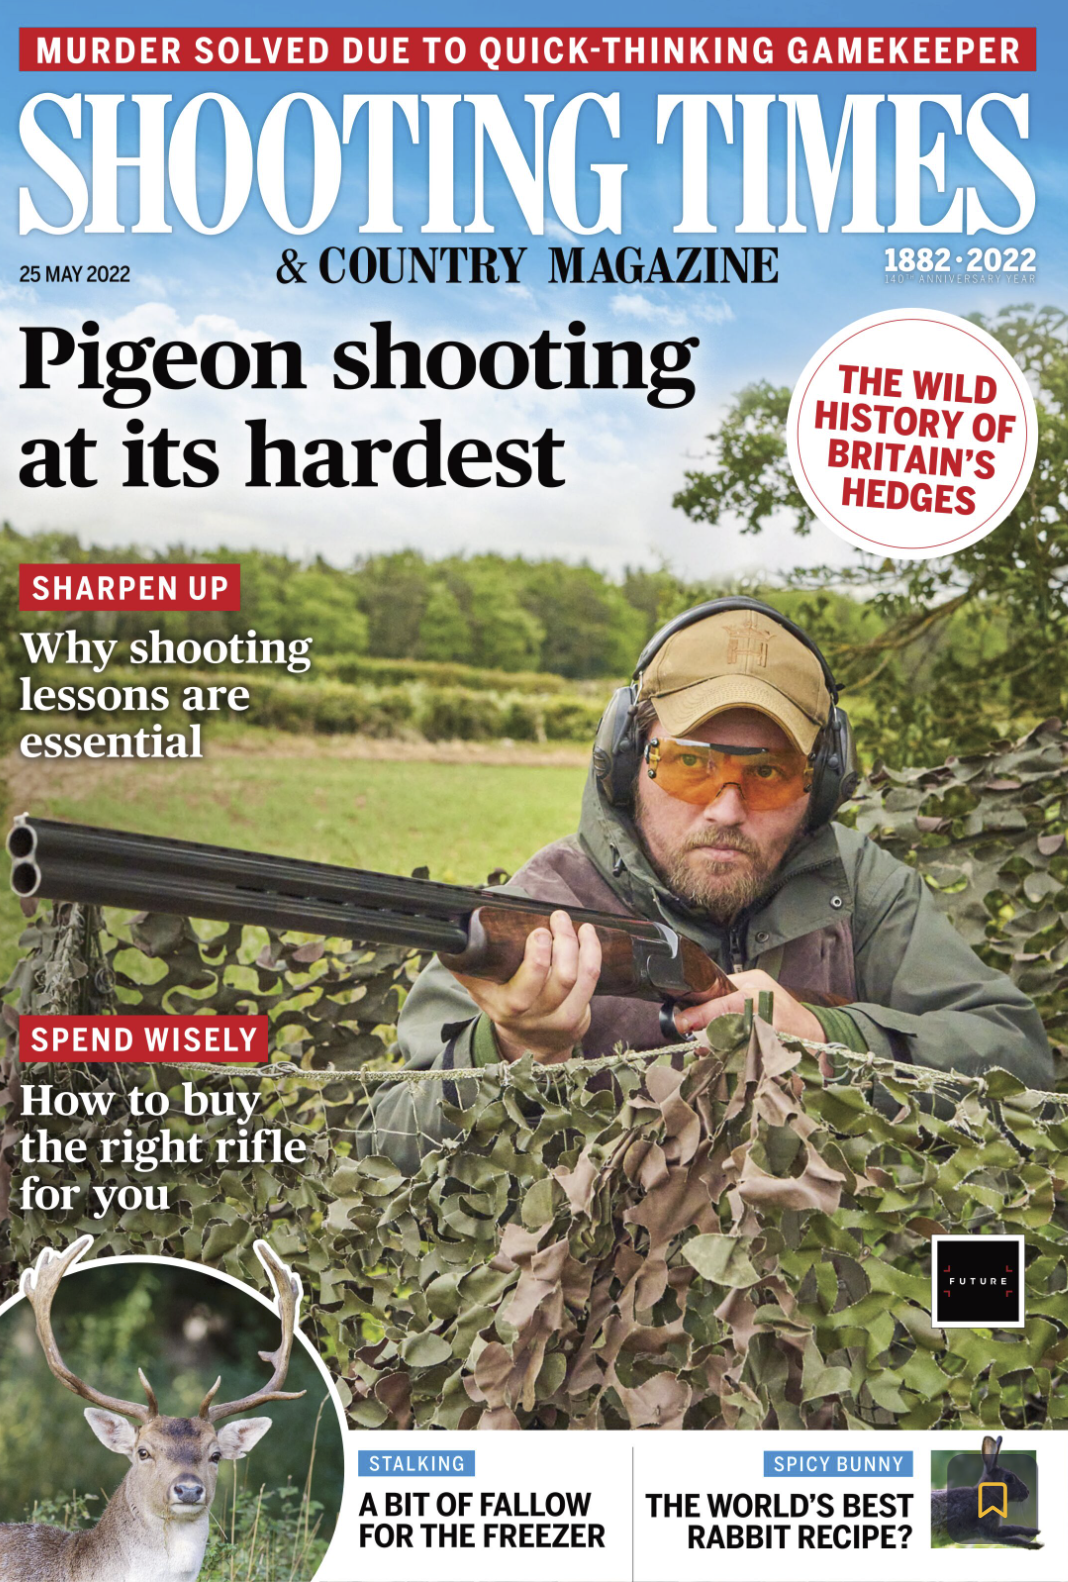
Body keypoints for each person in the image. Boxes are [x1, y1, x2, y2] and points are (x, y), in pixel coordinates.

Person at [363, 599, 1053, 1171]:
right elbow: (384, 1150)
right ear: (627, 760)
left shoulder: (862, 888)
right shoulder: (545, 903)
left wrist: (826, 1034)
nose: (726, 809)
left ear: (821, 787)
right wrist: (512, 1049)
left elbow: (1019, 1060)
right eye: (691, 765)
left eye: (768, 773)